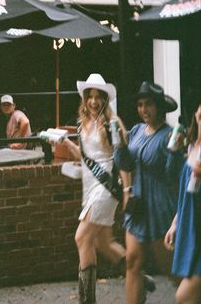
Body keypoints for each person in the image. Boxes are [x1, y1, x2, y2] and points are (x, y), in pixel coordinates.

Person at [61, 73, 132, 304]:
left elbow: (122, 158)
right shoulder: (83, 124)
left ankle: (87, 300)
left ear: (104, 99)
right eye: (89, 96)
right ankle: (139, 274)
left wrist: (126, 191)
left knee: (81, 238)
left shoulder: (112, 124)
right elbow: (84, 157)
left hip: (106, 187)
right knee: (104, 244)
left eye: (97, 97)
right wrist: (63, 142)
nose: (93, 101)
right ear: (85, 99)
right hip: (90, 187)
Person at [115, 81, 184, 304]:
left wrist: (174, 153)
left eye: (149, 105)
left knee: (172, 271)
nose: (144, 110)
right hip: (138, 207)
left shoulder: (169, 134)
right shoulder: (135, 131)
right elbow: (125, 165)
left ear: (159, 107)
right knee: (132, 262)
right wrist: (121, 146)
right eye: (140, 105)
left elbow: (172, 176)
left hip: (161, 208)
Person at [164, 102, 201, 304]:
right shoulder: (191, 146)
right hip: (190, 230)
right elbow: (184, 194)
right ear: (195, 114)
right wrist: (176, 222)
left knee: (183, 297)